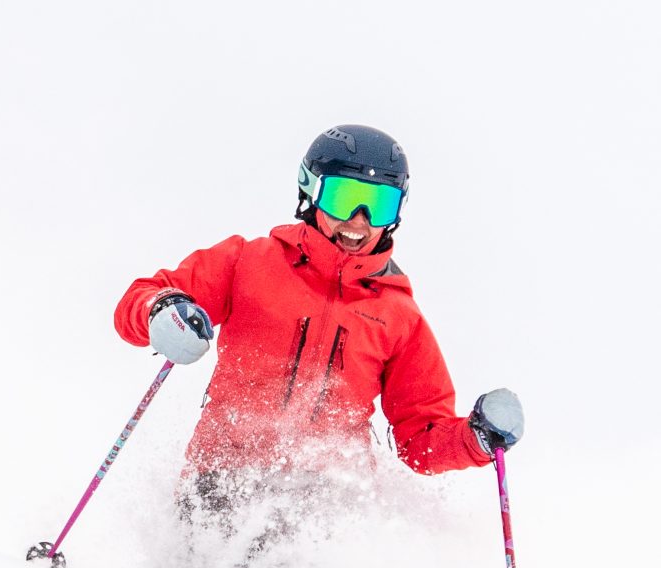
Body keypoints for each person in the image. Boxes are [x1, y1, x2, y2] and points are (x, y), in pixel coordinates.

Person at [112, 124, 524, 546]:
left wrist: (473, 438)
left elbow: (419, 441)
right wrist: (161, 311)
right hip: (221, 482)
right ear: (311, 191)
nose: (358, 222)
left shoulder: (398, 316)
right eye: (343, 198)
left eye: (379, 205)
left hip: (327, 510)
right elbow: (142, 297)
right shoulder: (249, 263)